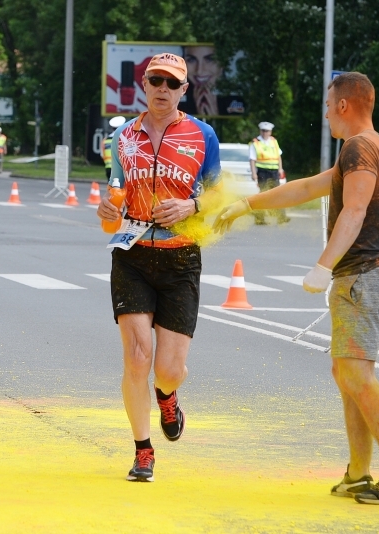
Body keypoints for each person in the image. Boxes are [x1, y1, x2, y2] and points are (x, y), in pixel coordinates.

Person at [214, 72, 379, 504]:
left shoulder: (361, 147)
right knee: (347, 374)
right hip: (363, 276)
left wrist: (323, 266)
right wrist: (247, 204)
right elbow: (308, 187)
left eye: (329, 104)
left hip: (363, 275)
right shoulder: (364, 146)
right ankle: (359, 473)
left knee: (356, 375)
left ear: (344, 105)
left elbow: (356, 210)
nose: (326, 111)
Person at [97, 52, 221, 483]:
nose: (163, 90)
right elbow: (113, 196)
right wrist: (106, 208)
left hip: (181, 255)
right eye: (156, 81)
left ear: (184, 90)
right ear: (143, 86)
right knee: (136, 356)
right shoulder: (122, 138)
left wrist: (192, 204)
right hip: (131, 254)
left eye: (172, 83)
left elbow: (222, 199)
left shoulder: (204, 135)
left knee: (167, 368)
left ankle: (167, 395)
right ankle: (143, 450)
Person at [249, 122, 289, 225]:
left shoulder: (274, 141)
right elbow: (252, 159)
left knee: (278, 194)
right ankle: (259, 218)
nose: (265, 133)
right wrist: (254, 174)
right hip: (262, 172)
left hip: (274, 171)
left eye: (267, 131)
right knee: (263, 194)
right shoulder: (255, 143)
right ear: (260, 131)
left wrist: (280, 169)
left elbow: (279, 156)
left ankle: (281, 217)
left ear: (270, 132)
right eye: (263, 131)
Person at [181, 45, 223, 116]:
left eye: (210, 59)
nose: (199, 71)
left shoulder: (238, 98)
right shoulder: (176, 101)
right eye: (191, 60)